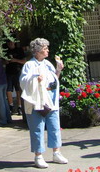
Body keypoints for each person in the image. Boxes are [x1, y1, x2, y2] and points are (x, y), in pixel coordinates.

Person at [20, 38, 68, 169]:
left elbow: (54, 80)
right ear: (37, 51)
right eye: (45, 48)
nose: (47, 50)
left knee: (54, 126)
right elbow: (23, 82)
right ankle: (38, 156)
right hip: (36, 101)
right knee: (37, 128)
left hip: (51, 99)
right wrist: (35, 79)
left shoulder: (47, 64)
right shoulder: (29, 65)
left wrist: (58, 70)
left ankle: (56, 152)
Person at [4, 39, 26, 114]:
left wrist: (15, 60)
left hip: (18, 72)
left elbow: (24, 61)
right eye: (8, 42)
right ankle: (11, 106)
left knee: (18, 89)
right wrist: (5, 62)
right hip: (8, 72)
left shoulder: (19, 50)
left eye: (11, 42)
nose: (10, 44)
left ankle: (19, 106)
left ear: (14, 42)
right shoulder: (5, 51)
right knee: (8, 89)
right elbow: (2, 61)